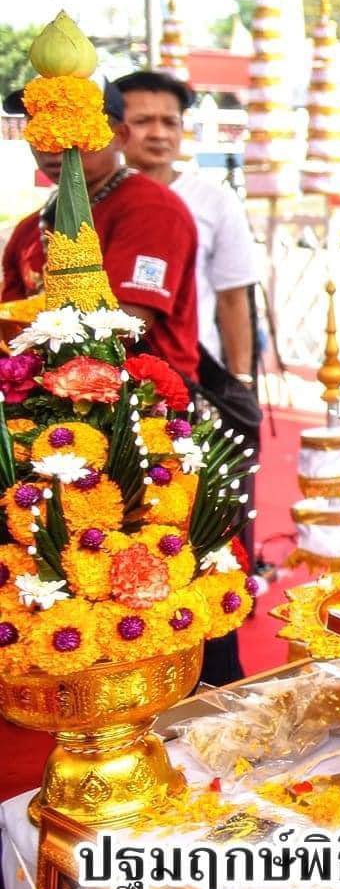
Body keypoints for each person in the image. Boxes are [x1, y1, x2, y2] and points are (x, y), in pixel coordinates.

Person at [114, 71, 263, 686]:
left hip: (190, 376)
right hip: (118, 386)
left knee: (203, 525)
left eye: (169, 122)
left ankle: (213, 673)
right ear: (117, 129)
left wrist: (242, 378)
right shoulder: (100, 198)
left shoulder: (210, 199)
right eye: (143, 120)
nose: (157, 133)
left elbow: (233, 296)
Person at [1, 81, 201, 385]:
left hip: (137, 407)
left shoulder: (152, 208)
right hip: (48, 401)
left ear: (119, 136)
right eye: (42, 126)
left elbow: (126, 325)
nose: (56, 143)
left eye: (74, 126)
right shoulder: (30, 227)